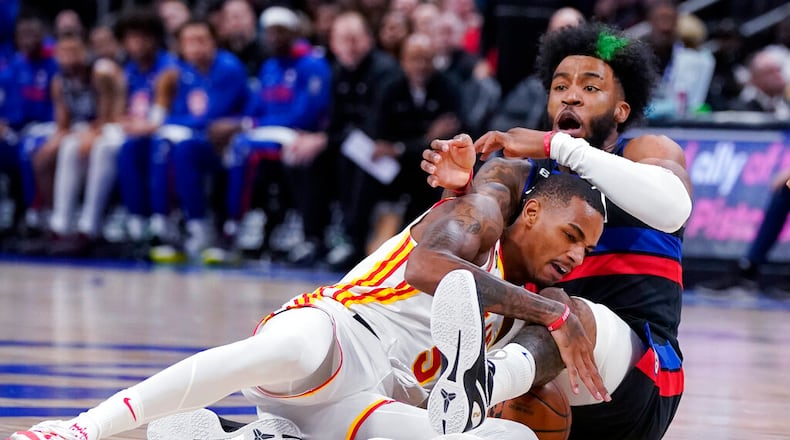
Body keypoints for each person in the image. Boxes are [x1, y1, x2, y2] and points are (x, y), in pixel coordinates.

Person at [8, 171, 606, 440]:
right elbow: (428, 270)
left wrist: (554, 316)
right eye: (571, 236)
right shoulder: (476, 218)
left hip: (371, 402)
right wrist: (553, 313)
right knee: (288, 349)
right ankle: (81, 428)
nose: (577, 255)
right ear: (531, 212)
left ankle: (251, 438)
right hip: (341, 331)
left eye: (588, 249)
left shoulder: (528, 311)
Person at [421, 22, 692, 439]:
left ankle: (482, 385)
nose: (571, 95)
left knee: (567, 308)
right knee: (514, 309)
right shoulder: (517, 172)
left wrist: (559, 146)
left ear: (621, 110)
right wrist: (458, 194)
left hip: (636, 376)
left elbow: (674, 209)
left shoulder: (645, 153)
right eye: (560, 86)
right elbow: (449, 258)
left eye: (590, 87)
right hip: (536, 358)